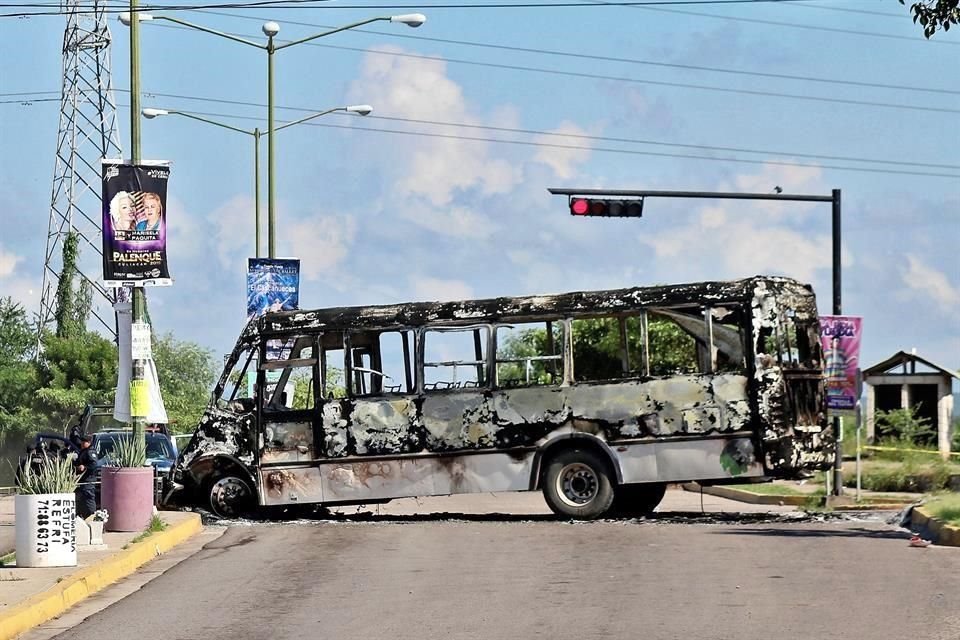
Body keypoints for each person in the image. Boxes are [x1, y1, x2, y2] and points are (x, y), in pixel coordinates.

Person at [74, 433, 99, 519]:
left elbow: (94, 465)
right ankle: (83, 516)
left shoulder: (90, 452)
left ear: (88, 442)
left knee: (88, 499)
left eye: (83, 442)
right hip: (82, 480)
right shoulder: (83, 451)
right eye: (81, 441)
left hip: (88, 480)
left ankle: (92, 517)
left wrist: (85, 467)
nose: (81, 443)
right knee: (81, 500)